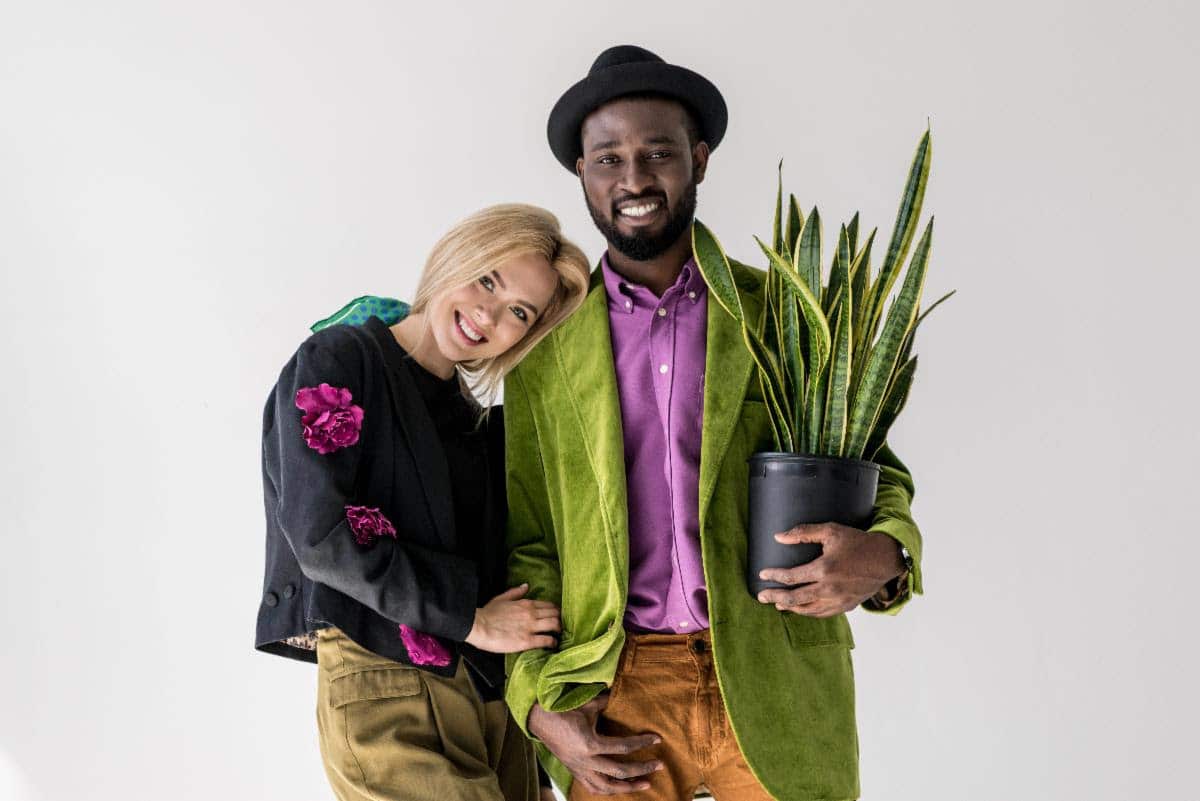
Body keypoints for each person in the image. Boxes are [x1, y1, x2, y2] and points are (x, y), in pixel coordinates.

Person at [503, 46, 923, 801]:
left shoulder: (785, 314)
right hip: (617, 685)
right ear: (581, 173)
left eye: (658, 152)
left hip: (777, 667)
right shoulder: (543, 349)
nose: (633, 179)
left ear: (698, 160)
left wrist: (888, 554)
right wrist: (536, 702)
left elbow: (874, 466)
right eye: (608, 159)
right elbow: (528, 535)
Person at [256, 204, 591, 801]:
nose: (489, 313)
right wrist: (473, 620)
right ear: (455, 254)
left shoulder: (478, 422)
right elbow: (320, 533)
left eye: (519, 312)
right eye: (488, 278)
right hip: (385, 676)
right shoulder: (342, 359)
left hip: (489, 700)